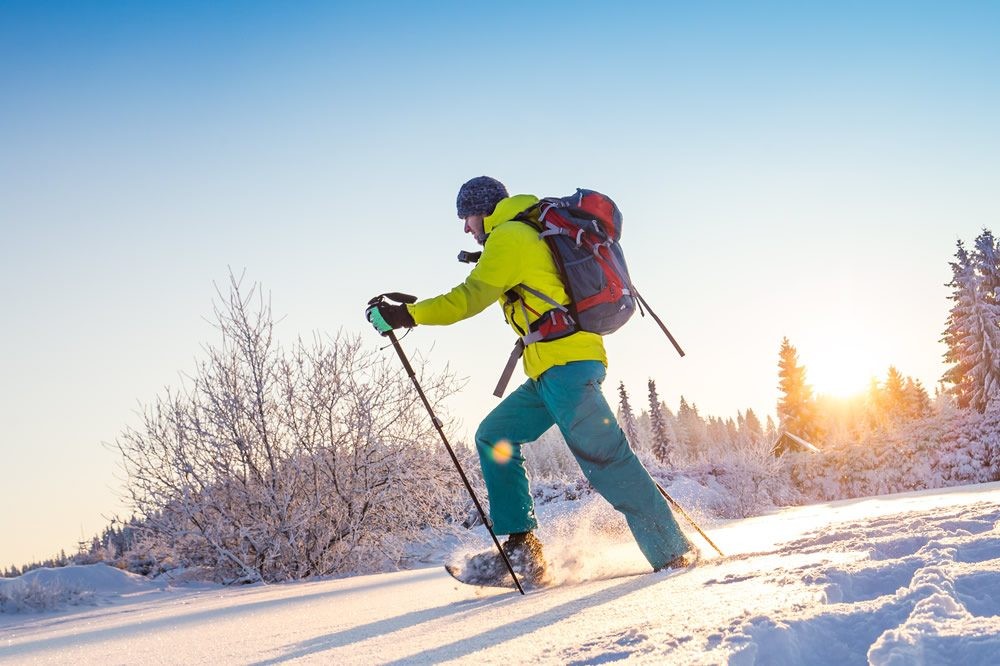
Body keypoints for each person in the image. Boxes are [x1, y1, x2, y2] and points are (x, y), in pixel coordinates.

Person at [365, 176, 695, 583]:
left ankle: (675, 557)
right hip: (548, 371)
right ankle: (524, 551)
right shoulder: (515, 236)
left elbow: (470, 297)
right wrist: (416, 310)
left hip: (567, 368)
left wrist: (409, 316)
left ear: (484, 210)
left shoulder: (512, 237)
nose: (466, 227)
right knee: (495, 435)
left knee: (609, 463)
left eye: (467, 216)